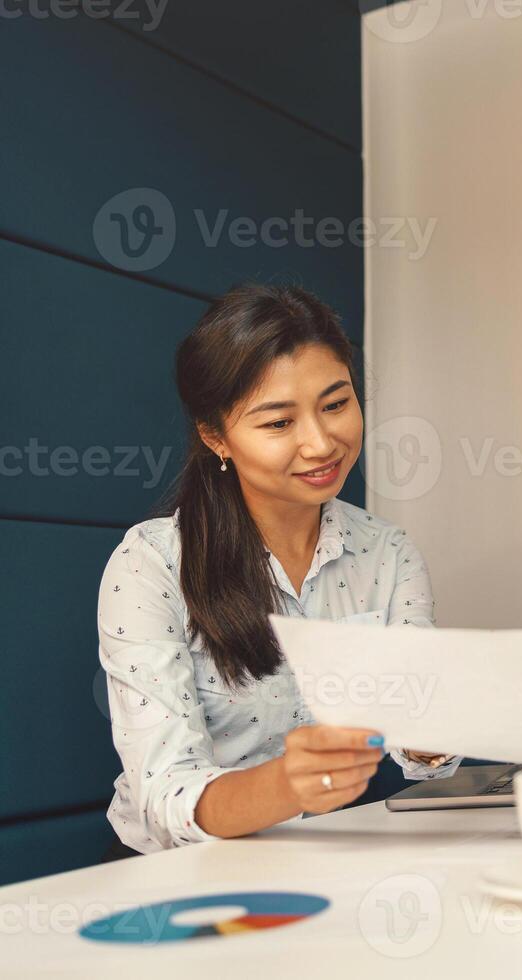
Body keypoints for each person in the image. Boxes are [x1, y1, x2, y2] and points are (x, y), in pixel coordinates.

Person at [98, 284, 457, 857]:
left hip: (328, 854)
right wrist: (289, 783)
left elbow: (420, 748)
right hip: (183, 871)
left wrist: (433, 731)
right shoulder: (151, 564)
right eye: (277, 423)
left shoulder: (388, 553)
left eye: (336, 404)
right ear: (216, 436)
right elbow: (165, 796)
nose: (321, 443)